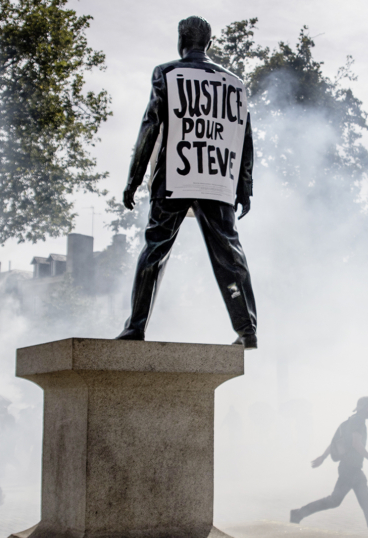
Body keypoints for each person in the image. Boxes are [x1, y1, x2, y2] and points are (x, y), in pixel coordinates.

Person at [116, 15, 257, 349]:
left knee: (155, 249)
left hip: (176, 174)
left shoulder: (167, 73)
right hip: (218, 176)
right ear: (209, 42)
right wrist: (245, 186)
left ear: (182, 39)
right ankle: (247, 328)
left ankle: (135, 327)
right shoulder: (235, 83)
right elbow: (245, 138)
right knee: (229, 252)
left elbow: (150, 126)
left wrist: (134, 179)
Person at [289, 397, 368, 537]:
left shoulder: (350, 421)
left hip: (353, 469)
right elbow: (357, 444)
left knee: (367, 501)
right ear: (364, 407)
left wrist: (323, 457)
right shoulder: (357, 422)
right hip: (350, 470)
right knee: (334, 501)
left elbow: (336, 443)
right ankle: (298, 514)